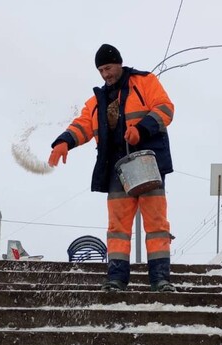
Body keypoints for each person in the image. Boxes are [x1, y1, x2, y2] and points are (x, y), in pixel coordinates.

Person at [48, 43, 176, 292]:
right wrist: (64, 141)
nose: (105, 74)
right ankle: (116, 279)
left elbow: (165, 108)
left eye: (108, 68)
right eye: (101, 70)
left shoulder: (145, 82)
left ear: (119, 63)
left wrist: (141, 129)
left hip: (149, 164)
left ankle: (160, 279)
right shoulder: (97, 101)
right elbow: (83, 125)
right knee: (117, 227)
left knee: (156, 223)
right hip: (117, 169)